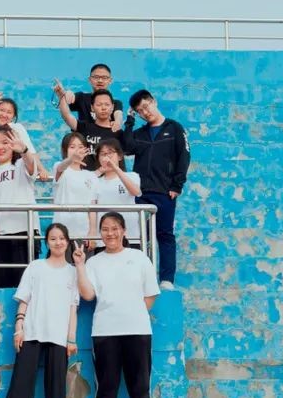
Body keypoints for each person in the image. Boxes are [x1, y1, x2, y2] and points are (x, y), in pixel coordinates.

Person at [75, 212, 160, 398]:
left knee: (140, 384)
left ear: (123, 231)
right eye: (105, 229)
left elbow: (150, 294)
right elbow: (87, 294)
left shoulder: (139, 258)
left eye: (114, 228)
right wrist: (80, 266)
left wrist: (131, 313)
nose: (110, 233)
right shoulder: (94, 262)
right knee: (106, 385)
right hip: (105, 331)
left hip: (137, 330)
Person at [0, 223, 79, 398]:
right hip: (32, 331)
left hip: (59, 336)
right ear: (47, 242)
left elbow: (73, 308)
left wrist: (71, 339)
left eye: (62, 238)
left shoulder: (73, 272)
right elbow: (24, 298)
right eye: (53, 238)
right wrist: (19, 326)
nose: (58, 242)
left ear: (67, 241)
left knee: (56, 386)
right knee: (21, 381)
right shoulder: (35, 267)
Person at [123, 90, 190, 290]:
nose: (145, 112)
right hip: (141, 194)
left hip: (165, 192)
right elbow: (127, 148)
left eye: (146, 106)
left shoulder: (174, 128)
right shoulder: (140, 133)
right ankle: (140, 278)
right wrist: (129, 121)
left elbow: (184, 156)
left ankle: (167, 280)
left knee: (165, 235)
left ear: (154, 102)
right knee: (139, 236)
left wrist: (177, 186)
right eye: (140, 111)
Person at [0, 125, 40, 288]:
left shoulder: (20, 164)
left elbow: (31, 165)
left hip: (23, 233)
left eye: (5, 142)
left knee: (24, 287)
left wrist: (24, 150)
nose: (0, 147)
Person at [0, 93, 50, 180]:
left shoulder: (17, 128)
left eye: (9, 112)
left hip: (12, 175)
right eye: (1, 110)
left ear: (13, 117)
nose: (4, 115)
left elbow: (29, 151)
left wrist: (41, 169)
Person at [52, 132, 98, 247]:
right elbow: (60, 168)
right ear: (65, 150)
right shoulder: (60, 167)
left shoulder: (91, 175)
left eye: (80, 147)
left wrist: (92, 232)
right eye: (72, 147)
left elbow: (92, 207)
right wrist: (71, 159)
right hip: (61, 233)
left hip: (84, 232)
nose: (77, 150)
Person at [57, 87, 120, 171]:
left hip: (108, 177)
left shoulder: (117, 132)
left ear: (112, 107)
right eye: (99, 105)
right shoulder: (84, 127)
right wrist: (61, 96)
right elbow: (66, 116)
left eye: (107, 105)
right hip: (85, 176)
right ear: (92, 108)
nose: (103, 108)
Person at [93, 139, 143, 243]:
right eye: (103, 154)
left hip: (130, 237)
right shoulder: (96, 181)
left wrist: (115, 168)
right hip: (103, 239)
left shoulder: (132, 176)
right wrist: (100, 170)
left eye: (110, 153)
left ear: (119, 156)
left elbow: (136, 192)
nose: (107, 157)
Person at [54, 63, 124, 129]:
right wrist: (63, 94)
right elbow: (65, 106)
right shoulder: (81, 98)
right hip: (83, 136)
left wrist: (117, 122)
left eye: (104, 78)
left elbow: (118, 115)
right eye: (96, 77)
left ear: (110, 80)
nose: (100, 80)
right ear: (90, 80)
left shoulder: (115, 103)